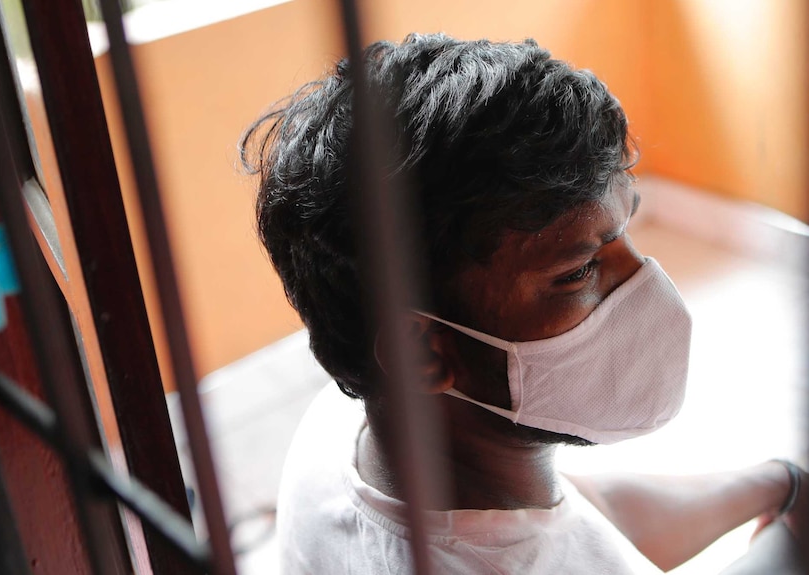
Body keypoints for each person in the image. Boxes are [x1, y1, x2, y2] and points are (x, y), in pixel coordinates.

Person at [240, 33, 804, 574]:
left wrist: (783, 482)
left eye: (629, 228)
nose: (646, 284)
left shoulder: (347, 428)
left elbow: (579, 517)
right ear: (425, 353)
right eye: (579, 271)